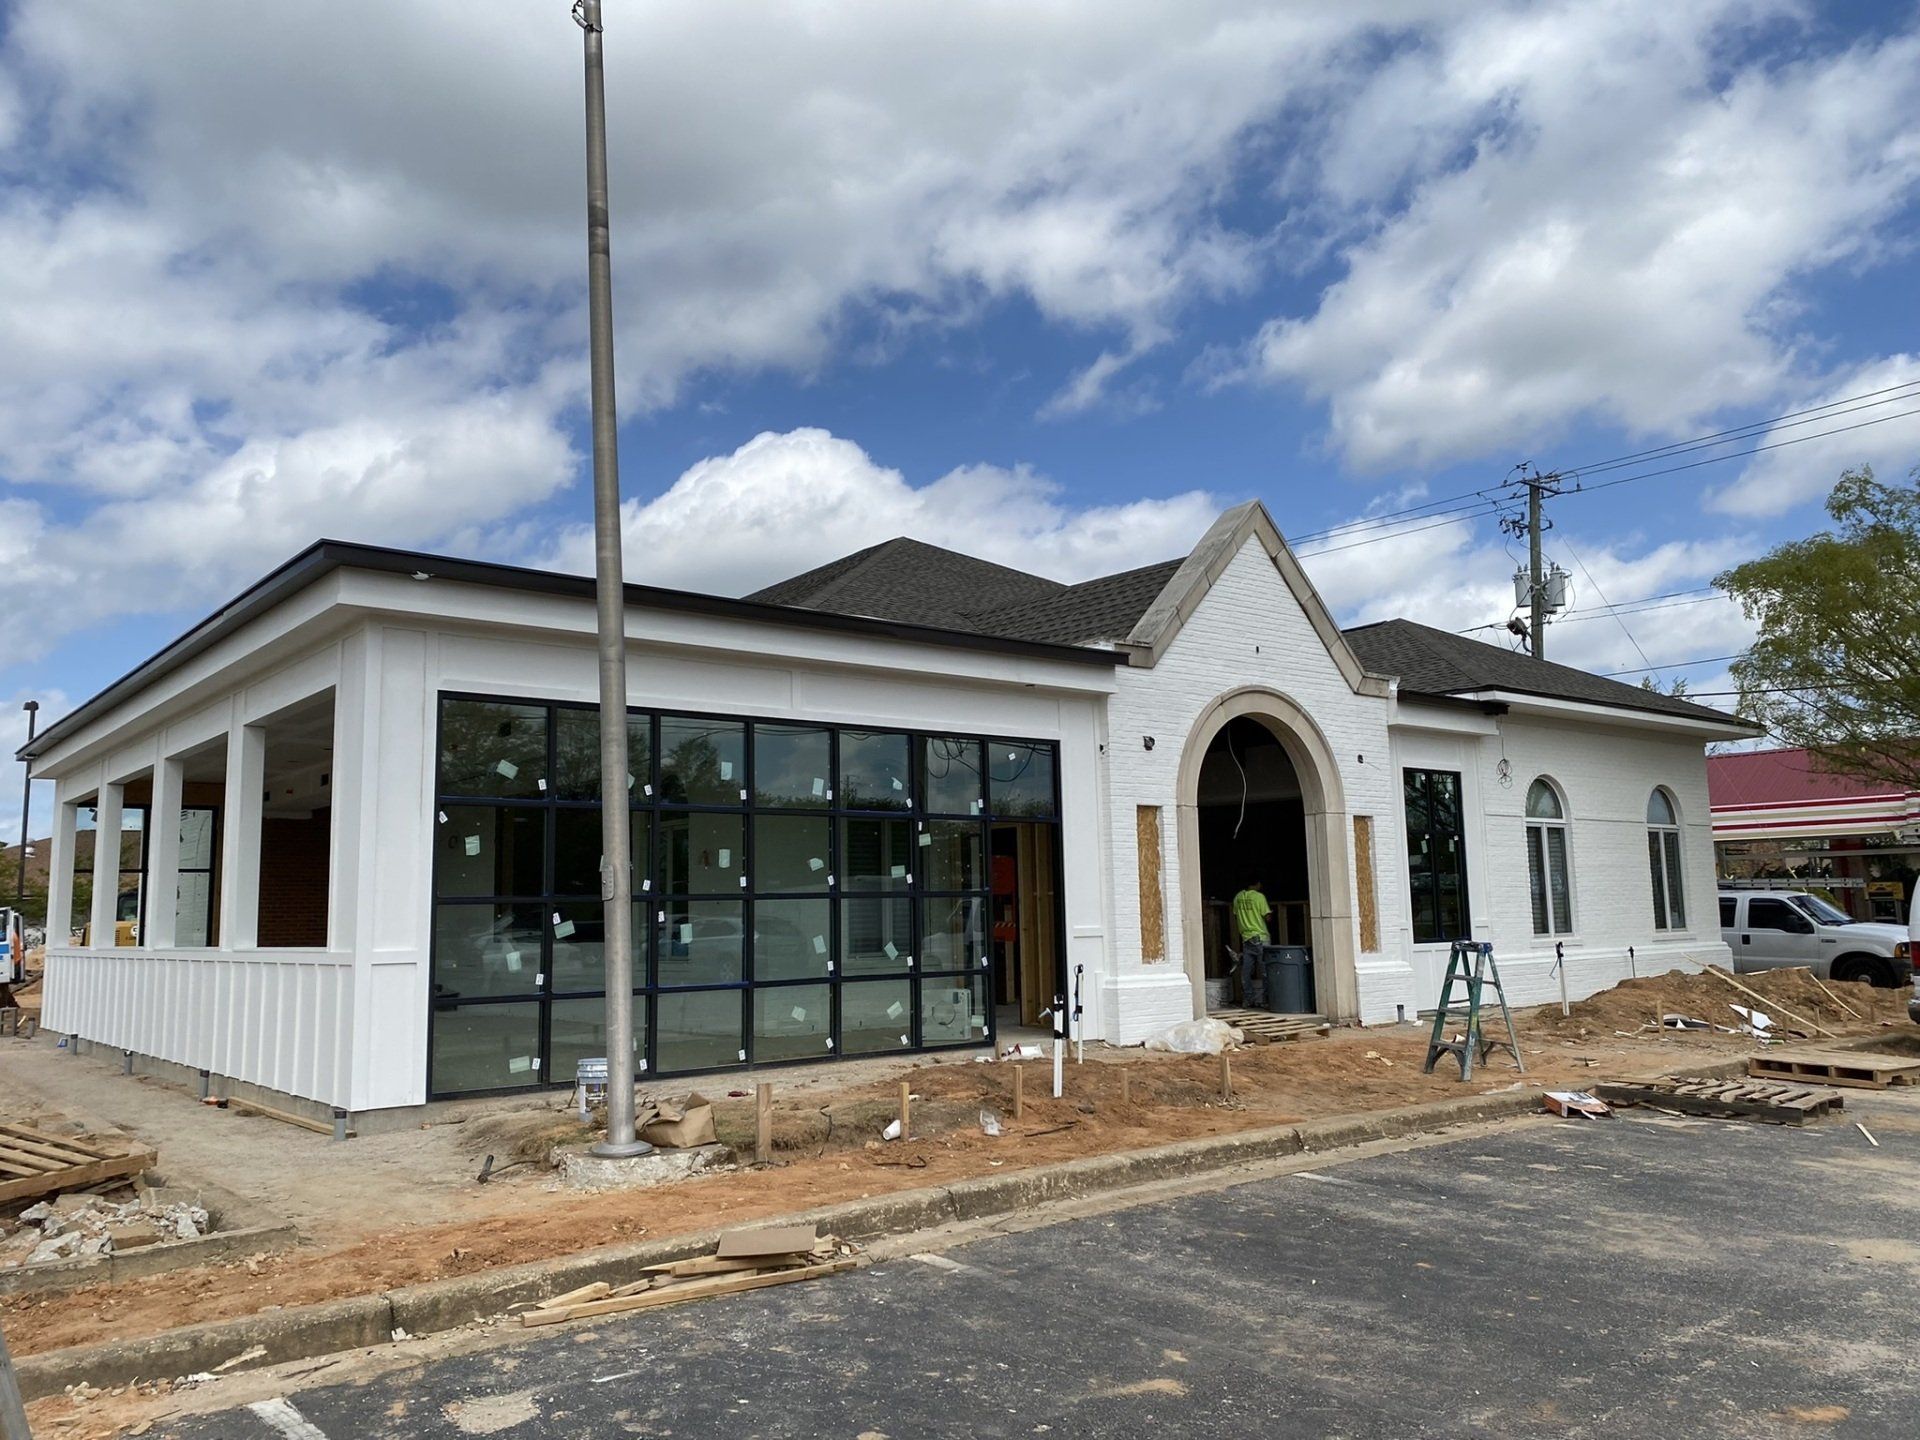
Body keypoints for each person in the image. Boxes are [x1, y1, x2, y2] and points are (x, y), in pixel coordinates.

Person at [1230, 876, 1272, 1006]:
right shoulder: (1259, 897)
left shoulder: (1238, 897)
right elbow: (1267, 917)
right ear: (1257, 883)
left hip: (1246, 938)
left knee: (1246, 972)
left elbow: (1236, 914)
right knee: (1266, 970)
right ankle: (1267, 1000)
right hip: (1260, 937)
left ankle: (1248, 1000)